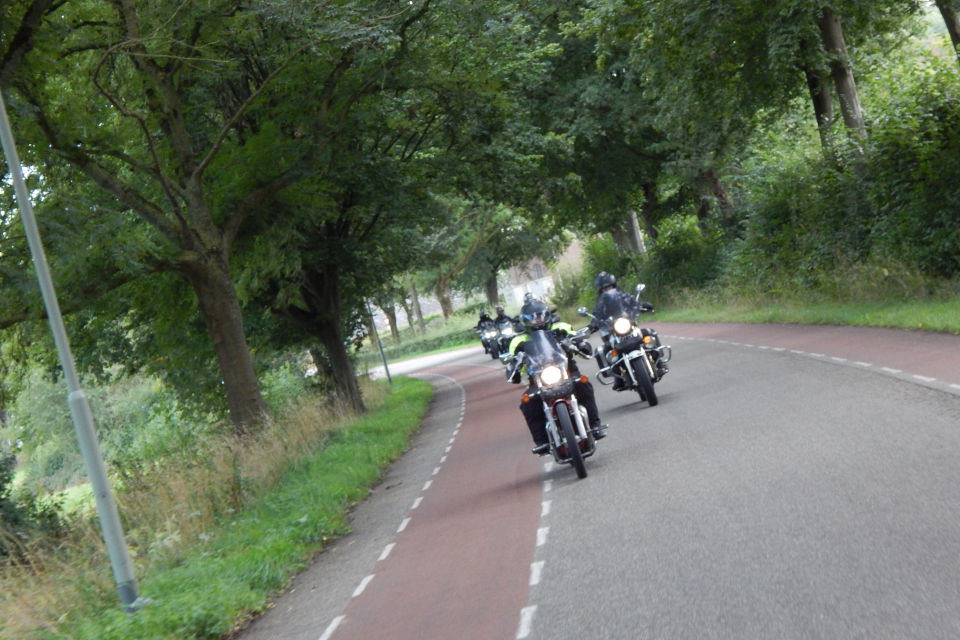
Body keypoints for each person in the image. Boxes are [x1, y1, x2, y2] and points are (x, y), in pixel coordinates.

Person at [506, 297, 606, 454]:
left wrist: (579, 343)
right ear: (524, 321)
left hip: (567, 370)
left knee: (583, 384)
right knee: (528, 402)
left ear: (546, 315)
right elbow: (512, 360)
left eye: (539, 316)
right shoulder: (518, 339)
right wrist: (514, 363)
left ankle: (595, 425)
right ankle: (542, 441)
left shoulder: (561, 327)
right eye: (531, 318)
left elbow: (576, 339)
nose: (536, 320)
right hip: (538, 378)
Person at [588, 272, 666, 386]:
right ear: (601, 291)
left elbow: (634, 302)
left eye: (609, 287)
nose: (607, 290)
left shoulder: (623, 296)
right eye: (605, 288)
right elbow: (596, 315)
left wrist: (643, 305)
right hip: (613, 332)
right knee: (604, 350)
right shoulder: (600, 304)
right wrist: (593, 324)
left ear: (614, 286)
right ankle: (617, 378)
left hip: (629, 327)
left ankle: (660, 363)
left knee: (649, 333)